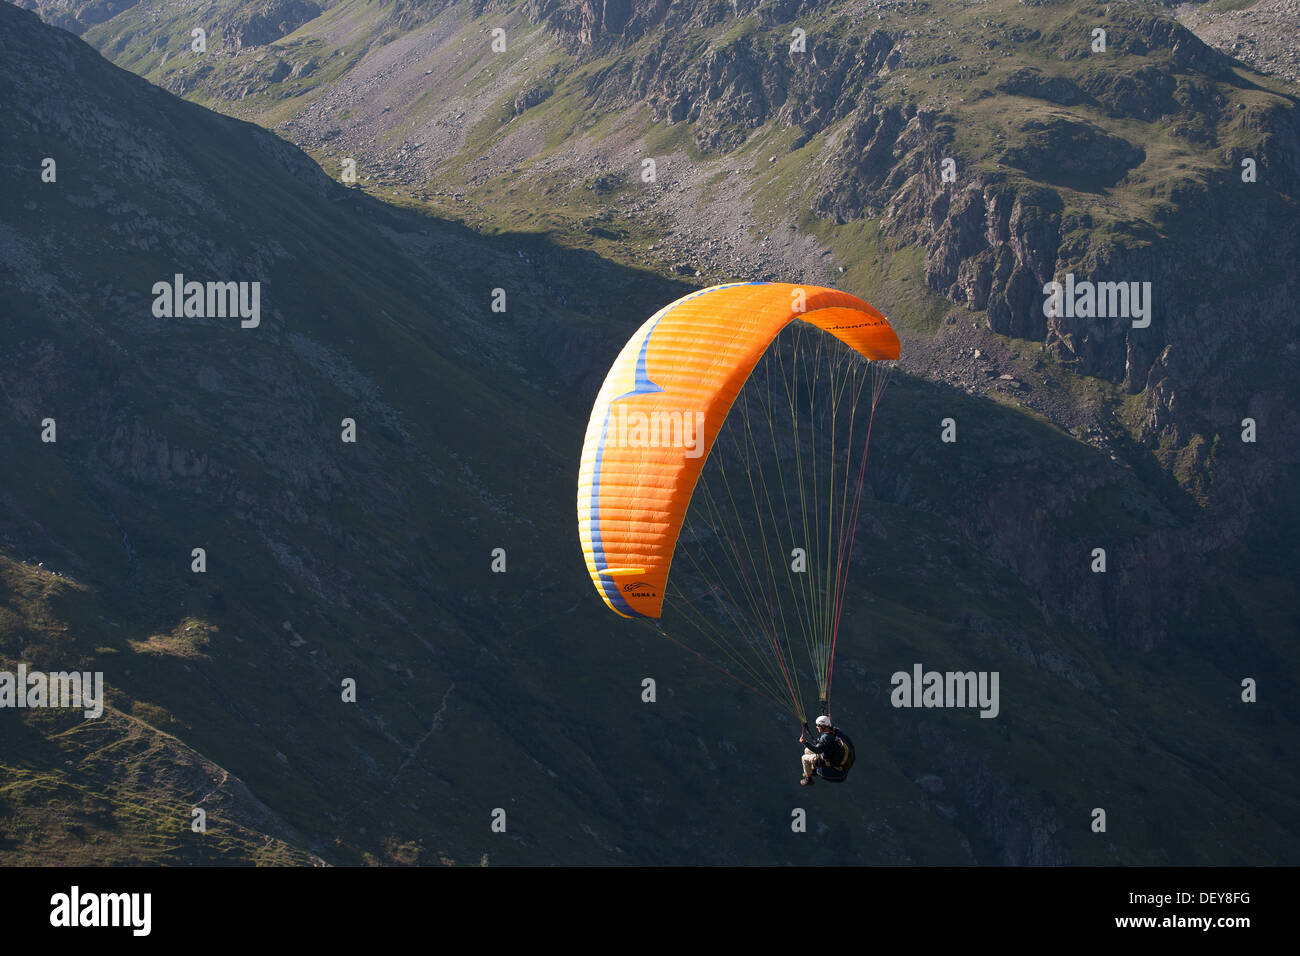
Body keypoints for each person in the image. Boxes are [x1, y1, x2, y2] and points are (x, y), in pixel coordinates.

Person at [800, 715, 854, 785]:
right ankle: (812, 770)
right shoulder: (834, 731)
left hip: (829, 762)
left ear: (823, 726)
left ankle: (808, 779)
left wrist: (805, 742)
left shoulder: (826, 738)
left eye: (818, 726)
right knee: (807, 750)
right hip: (831, 753)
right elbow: (824, 745)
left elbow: (817, 750)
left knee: (804, 758)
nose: (817, 727)